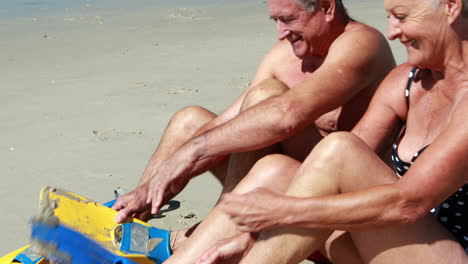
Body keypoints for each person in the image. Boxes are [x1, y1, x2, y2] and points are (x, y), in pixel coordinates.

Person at [170, 0, 468, 263]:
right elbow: (332, 170)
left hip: (445, 252)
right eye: (389, 16)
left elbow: (408, 204)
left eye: (401, 16)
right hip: (390, 242)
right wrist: (254, 238)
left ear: (451, 7)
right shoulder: (405, 82)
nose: (391, 31)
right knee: (278, 170)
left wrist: (283, 212)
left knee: (340, 150)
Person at [112, 0, 395, 256]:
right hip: (275, 185)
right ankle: (129, 218)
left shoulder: (362, 44)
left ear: (327, 7)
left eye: (288, 19)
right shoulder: (283, 56)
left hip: (335, 212)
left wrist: (191, 153)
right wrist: (152, 185)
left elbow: (288, 115)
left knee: (265, 98)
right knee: (191, 121)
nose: (281, 33)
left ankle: (199, 238)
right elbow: (228, 123)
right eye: (275, 21)